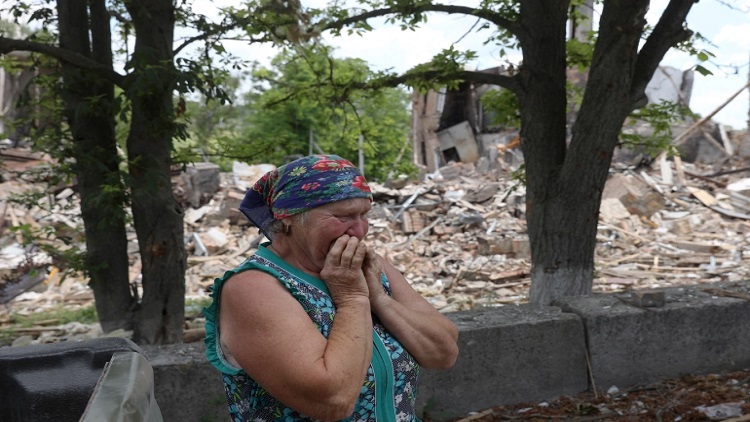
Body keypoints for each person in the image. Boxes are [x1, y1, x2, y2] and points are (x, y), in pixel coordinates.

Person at [203, 154, 459, 422]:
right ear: (288, 217)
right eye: (344, 216)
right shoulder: (253, 289)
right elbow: (332, 401)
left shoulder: (370, 267)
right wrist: (353, 299)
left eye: (364, 215)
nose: (359, 231)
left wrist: (380, 299)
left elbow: (444, 353)